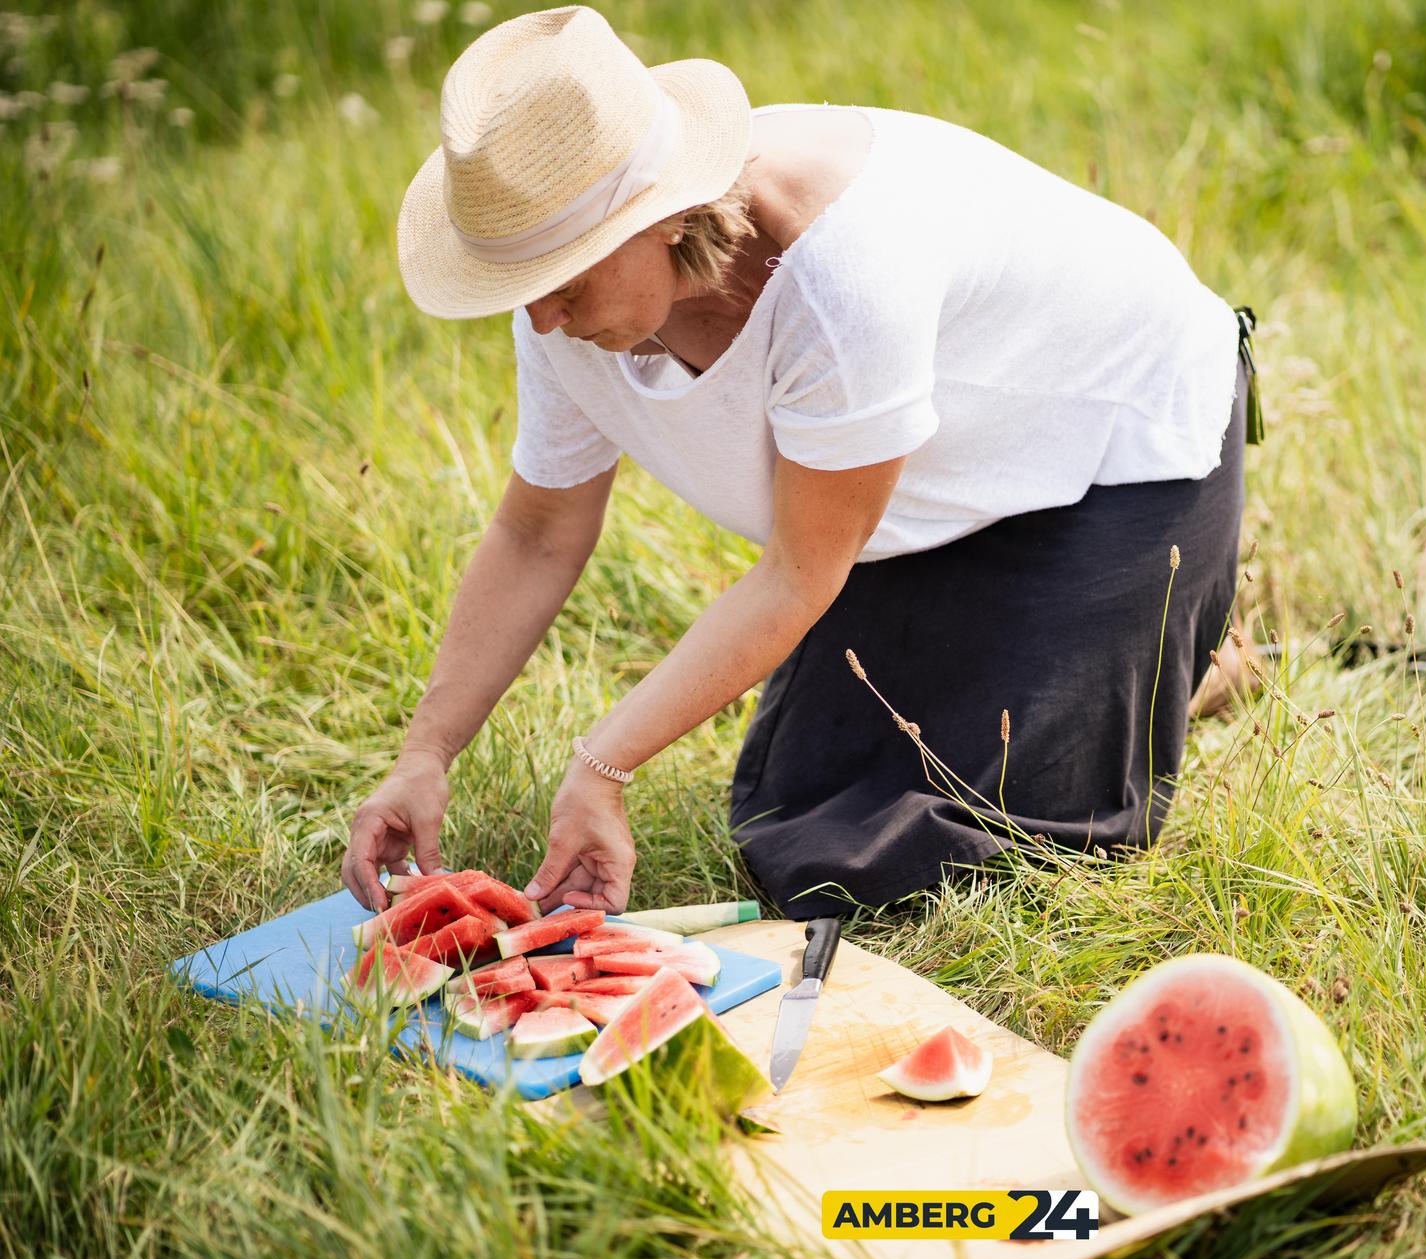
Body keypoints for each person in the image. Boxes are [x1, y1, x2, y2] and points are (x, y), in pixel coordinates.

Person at [341, 4, 1260, 920]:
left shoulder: (843, 267)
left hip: (1122, 460)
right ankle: (1140, 663)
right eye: (526, 289)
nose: (543, 321)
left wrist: (603, 762)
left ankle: (1187, 654)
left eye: (567, 282)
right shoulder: (560, 313)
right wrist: (424, 754)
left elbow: (796, 574)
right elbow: (538, 532)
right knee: (801, 823)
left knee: (964, 853)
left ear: (659, 214)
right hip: (927, 493)